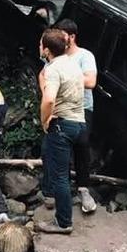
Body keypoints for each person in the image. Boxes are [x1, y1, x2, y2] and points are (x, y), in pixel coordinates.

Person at [37, 29, 86, 234]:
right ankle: (54, 200)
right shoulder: (73, 63)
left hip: (62, 125)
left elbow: (49, 99)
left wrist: (44, 120)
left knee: (60, 177)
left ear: (47, 50)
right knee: (59, 169)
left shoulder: (53, 69)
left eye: (41, 45)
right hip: (79, 123)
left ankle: (63, 222)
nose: (39, 47)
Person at [51, 19, 97, 213]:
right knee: (59, 150)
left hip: (82, 107)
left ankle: (83, 189)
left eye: (62, 36)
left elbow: (91, 81)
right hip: (59, 108)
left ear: (72, 37)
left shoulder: (85, 56)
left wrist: (65, 76)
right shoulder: (55, 55)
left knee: (82, 147)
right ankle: (58, 192)